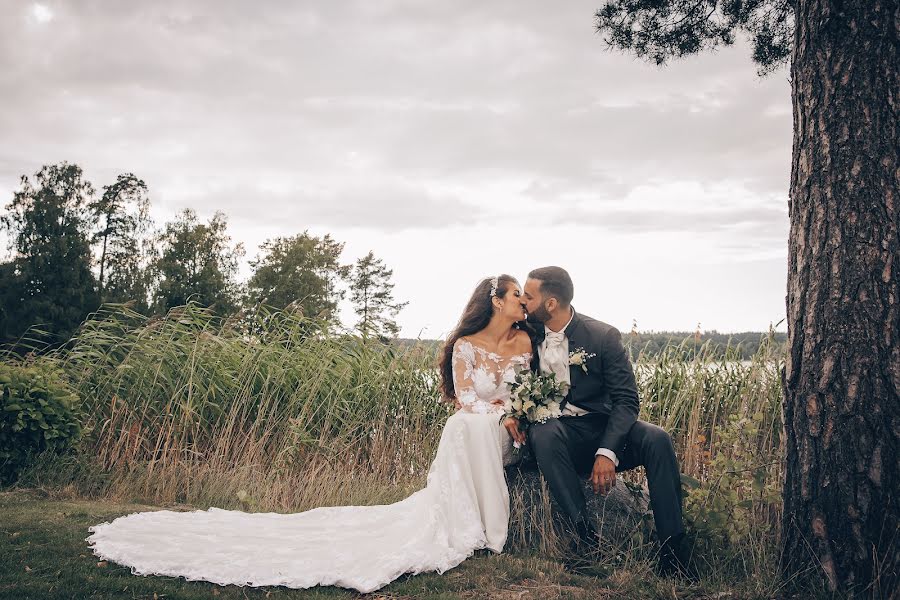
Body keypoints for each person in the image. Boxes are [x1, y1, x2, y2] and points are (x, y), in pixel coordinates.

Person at [86, 275, 531, 594]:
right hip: (478, 422)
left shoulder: (524, 342)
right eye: (516, 296)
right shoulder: (465, 344)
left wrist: (509, 412)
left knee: (473, 425)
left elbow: (527, 391)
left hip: (502, 426)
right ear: (495, 300)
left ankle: (489, 526)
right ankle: (479, 527)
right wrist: (493, 412)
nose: (522, 304)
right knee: (464, 422)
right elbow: (463, 395)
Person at [511, 265, 694, 578]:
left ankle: (673, 556)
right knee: (543, 433)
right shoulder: (526, 332)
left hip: (603, 428)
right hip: (559, 436)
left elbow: (626, 401)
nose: (523, 301)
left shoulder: (601, 336)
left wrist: (607, 452)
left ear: (551, 303)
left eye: (529, 295)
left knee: (658, 439)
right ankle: (588, 543)